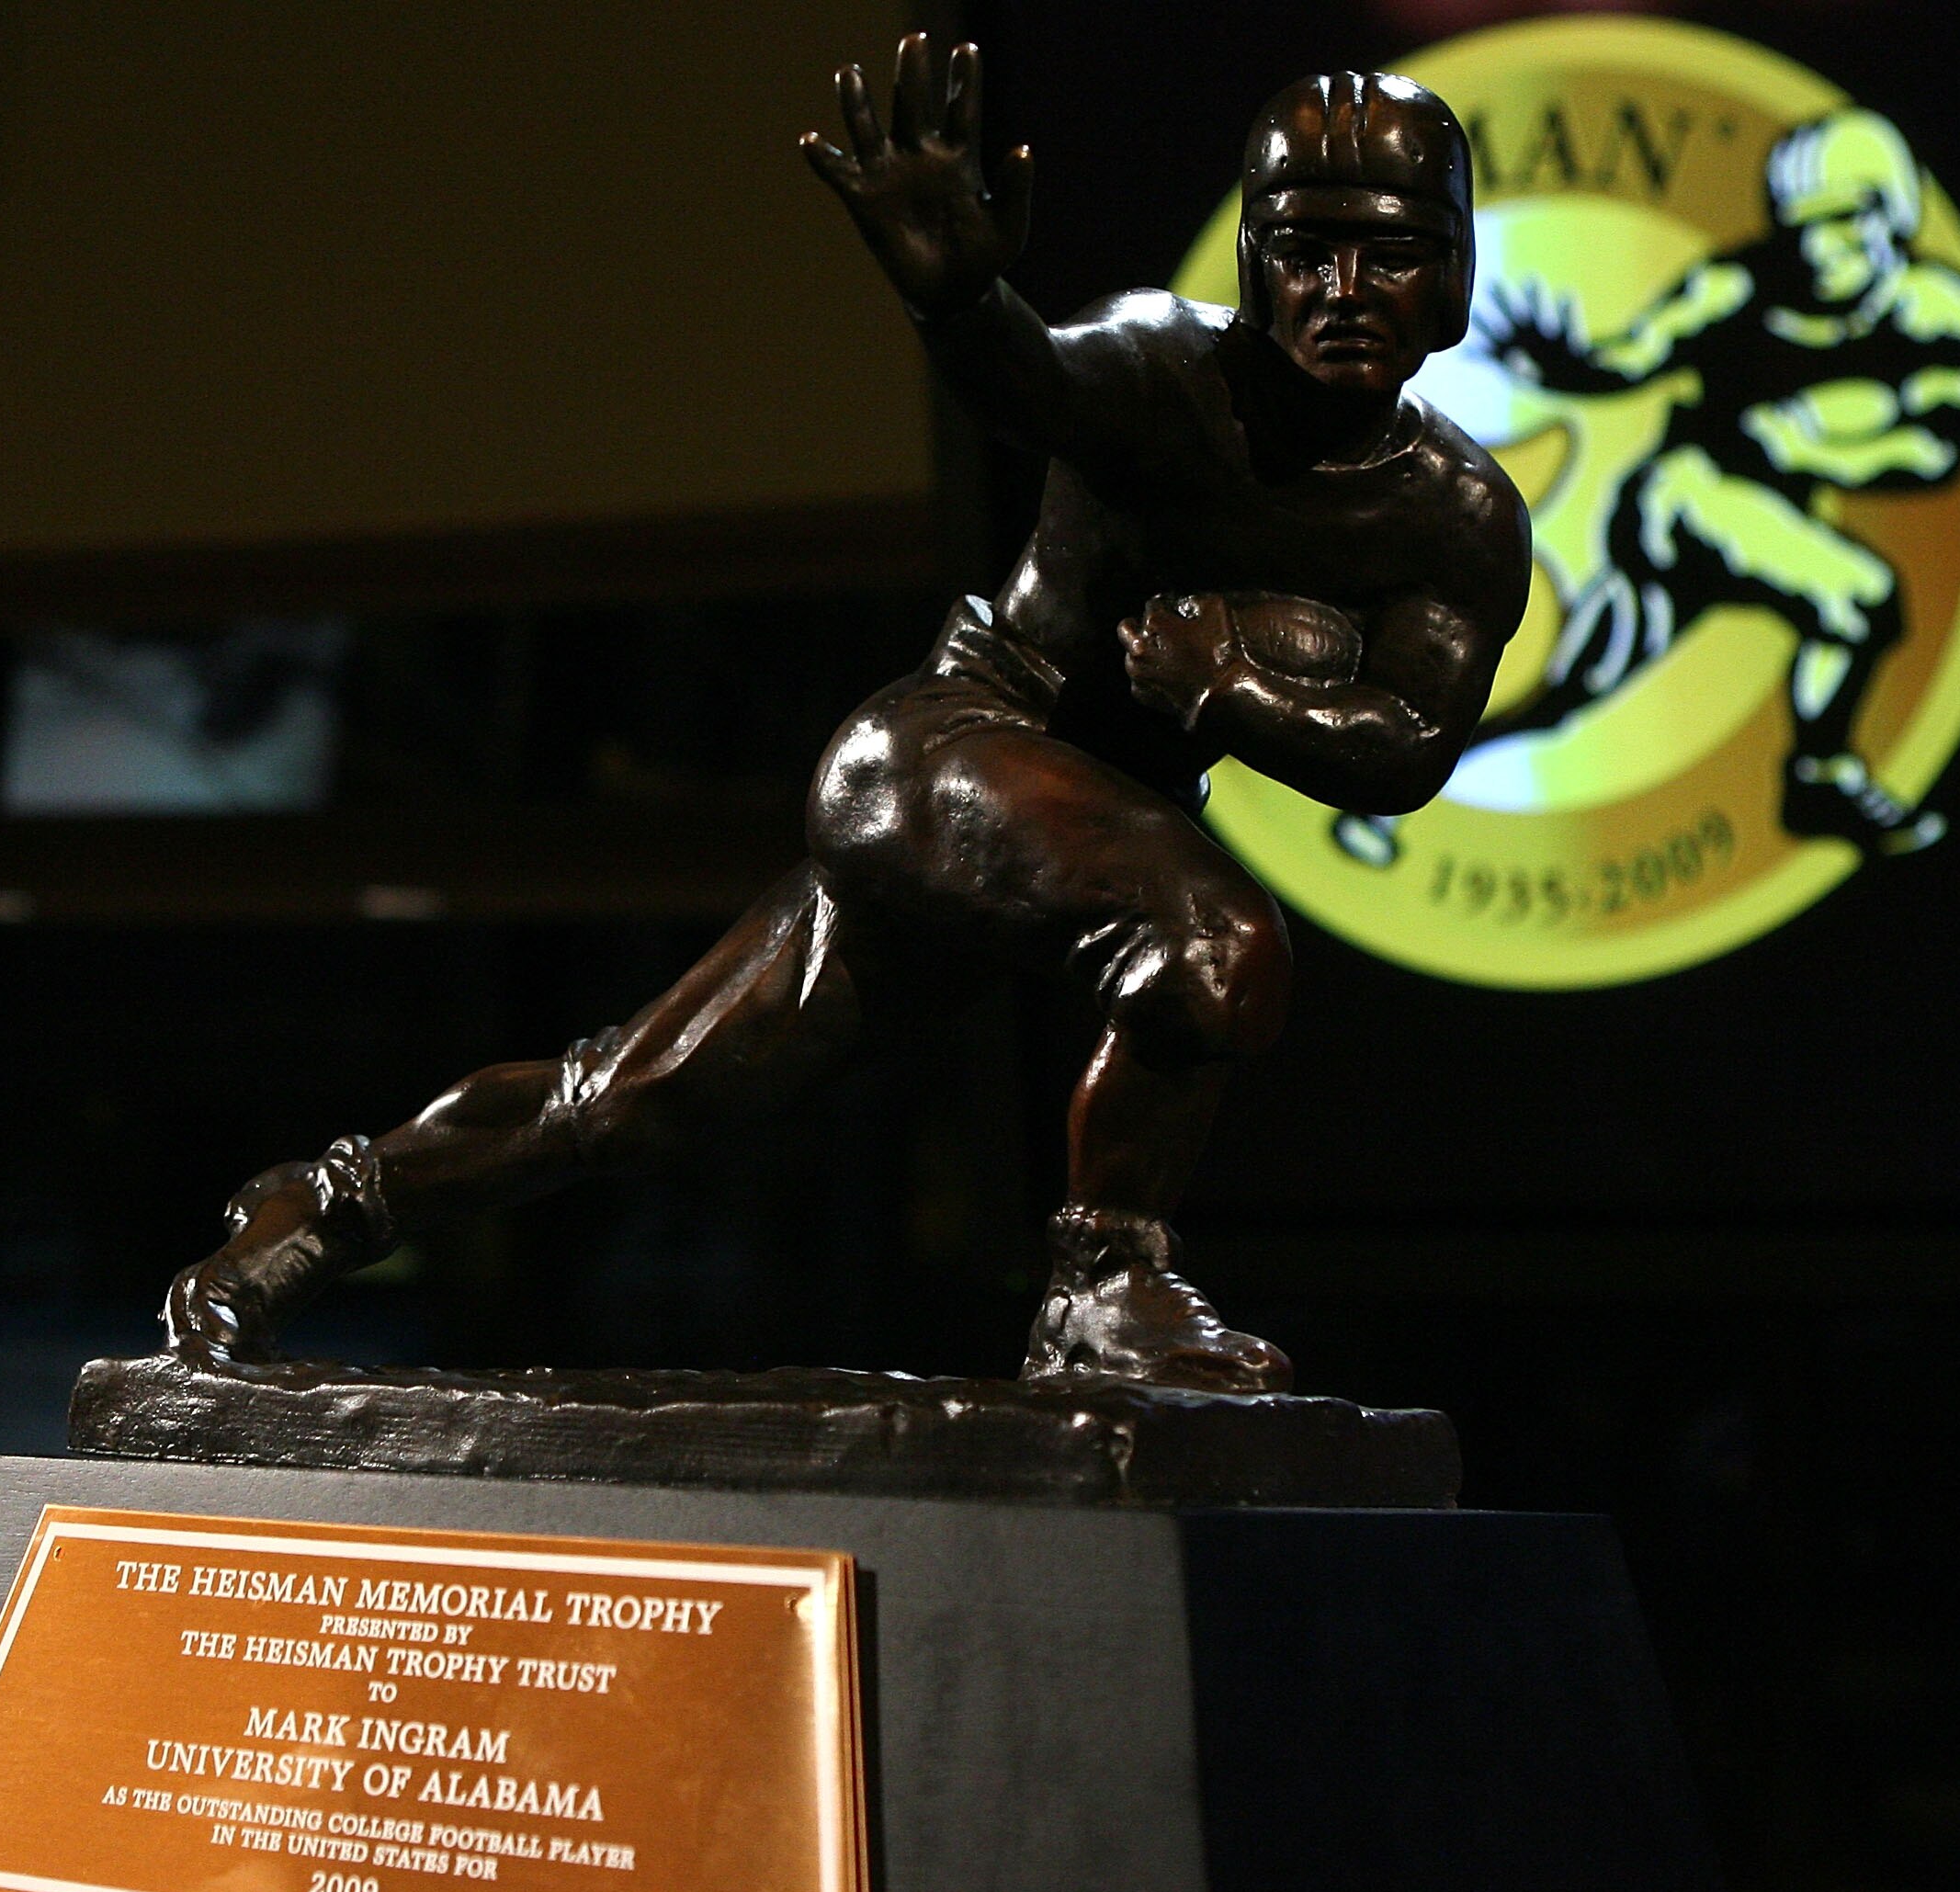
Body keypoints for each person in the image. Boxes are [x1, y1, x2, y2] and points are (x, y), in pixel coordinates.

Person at [164, 46, 1527, 1390]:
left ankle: (318, 1210)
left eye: (1388, 255)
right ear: (1253, 261)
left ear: (1451, 274)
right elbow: (1030, 382)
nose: (1342, 291)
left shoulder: (1452, 519)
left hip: (1072, 825)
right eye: (1305, 252)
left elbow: (1405, 745)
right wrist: (959, 304)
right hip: (949, 755)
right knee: (1213, 939)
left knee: (639, 1096)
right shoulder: (1168, 369)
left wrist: (1238, 689)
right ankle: (1101, 1288)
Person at [1333, 107, 1960, 868]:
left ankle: (1393, 786)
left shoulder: (1945, 315)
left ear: (1891, 216)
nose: (1819, 248)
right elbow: (1636, 354)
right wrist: (1568, 366)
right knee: (1858, 597)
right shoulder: (1737, 285)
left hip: (1768, 506)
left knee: (1575, 692)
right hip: (1687, 501)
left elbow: (1935, 452)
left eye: (1843, 221)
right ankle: (1819, 777)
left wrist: (1813, 446)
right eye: (1802, 225)